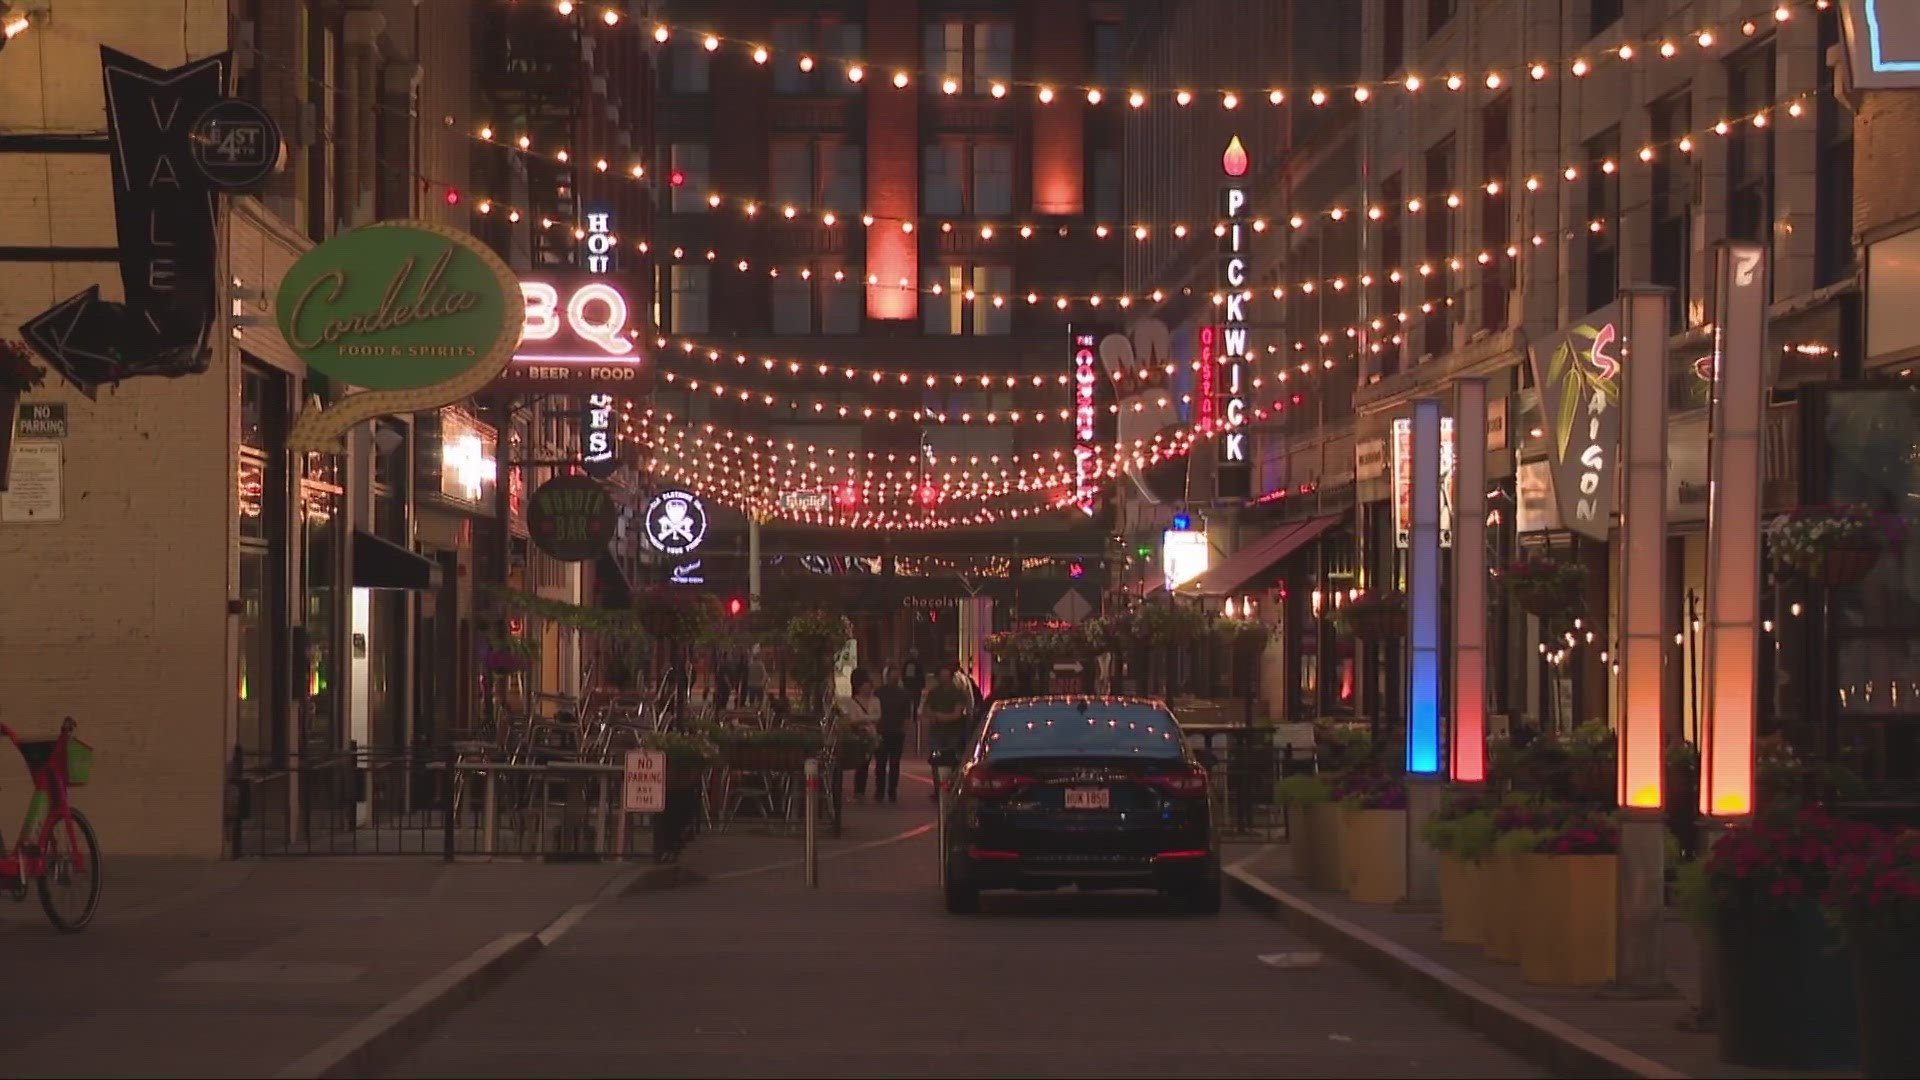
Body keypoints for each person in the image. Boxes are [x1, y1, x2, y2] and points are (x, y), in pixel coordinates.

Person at [923, 662, 970, 800]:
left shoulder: (958, 693)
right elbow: (926, 709)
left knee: (953, 760)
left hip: (953, 732)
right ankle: (938, 789)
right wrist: (934, 715)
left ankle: (953, 788)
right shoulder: (934, 693)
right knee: (935, 760)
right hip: (937, 732)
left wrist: (938, 716)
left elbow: (957, 714)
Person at [835, 668, 882, 801]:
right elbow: (852, 720)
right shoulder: (852, 702)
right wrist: (868, 719)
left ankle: (872, 790)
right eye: (865, 687)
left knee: (872, 762)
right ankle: (858, 791)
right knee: (860, 763)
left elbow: (878, 716)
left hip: (872, 735)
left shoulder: (875, 701)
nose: (868, 690)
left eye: (869, 687)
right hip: (858, 736)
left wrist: (863, 719)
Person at [873, 664, 912, 804]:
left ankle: (891, 791)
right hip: (882, 731)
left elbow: (907, 713)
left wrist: (904, 728)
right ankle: (880, 791)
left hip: (896, 731)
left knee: (894, 764)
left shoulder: (903, 694)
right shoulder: (879, 693)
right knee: (881, 764)